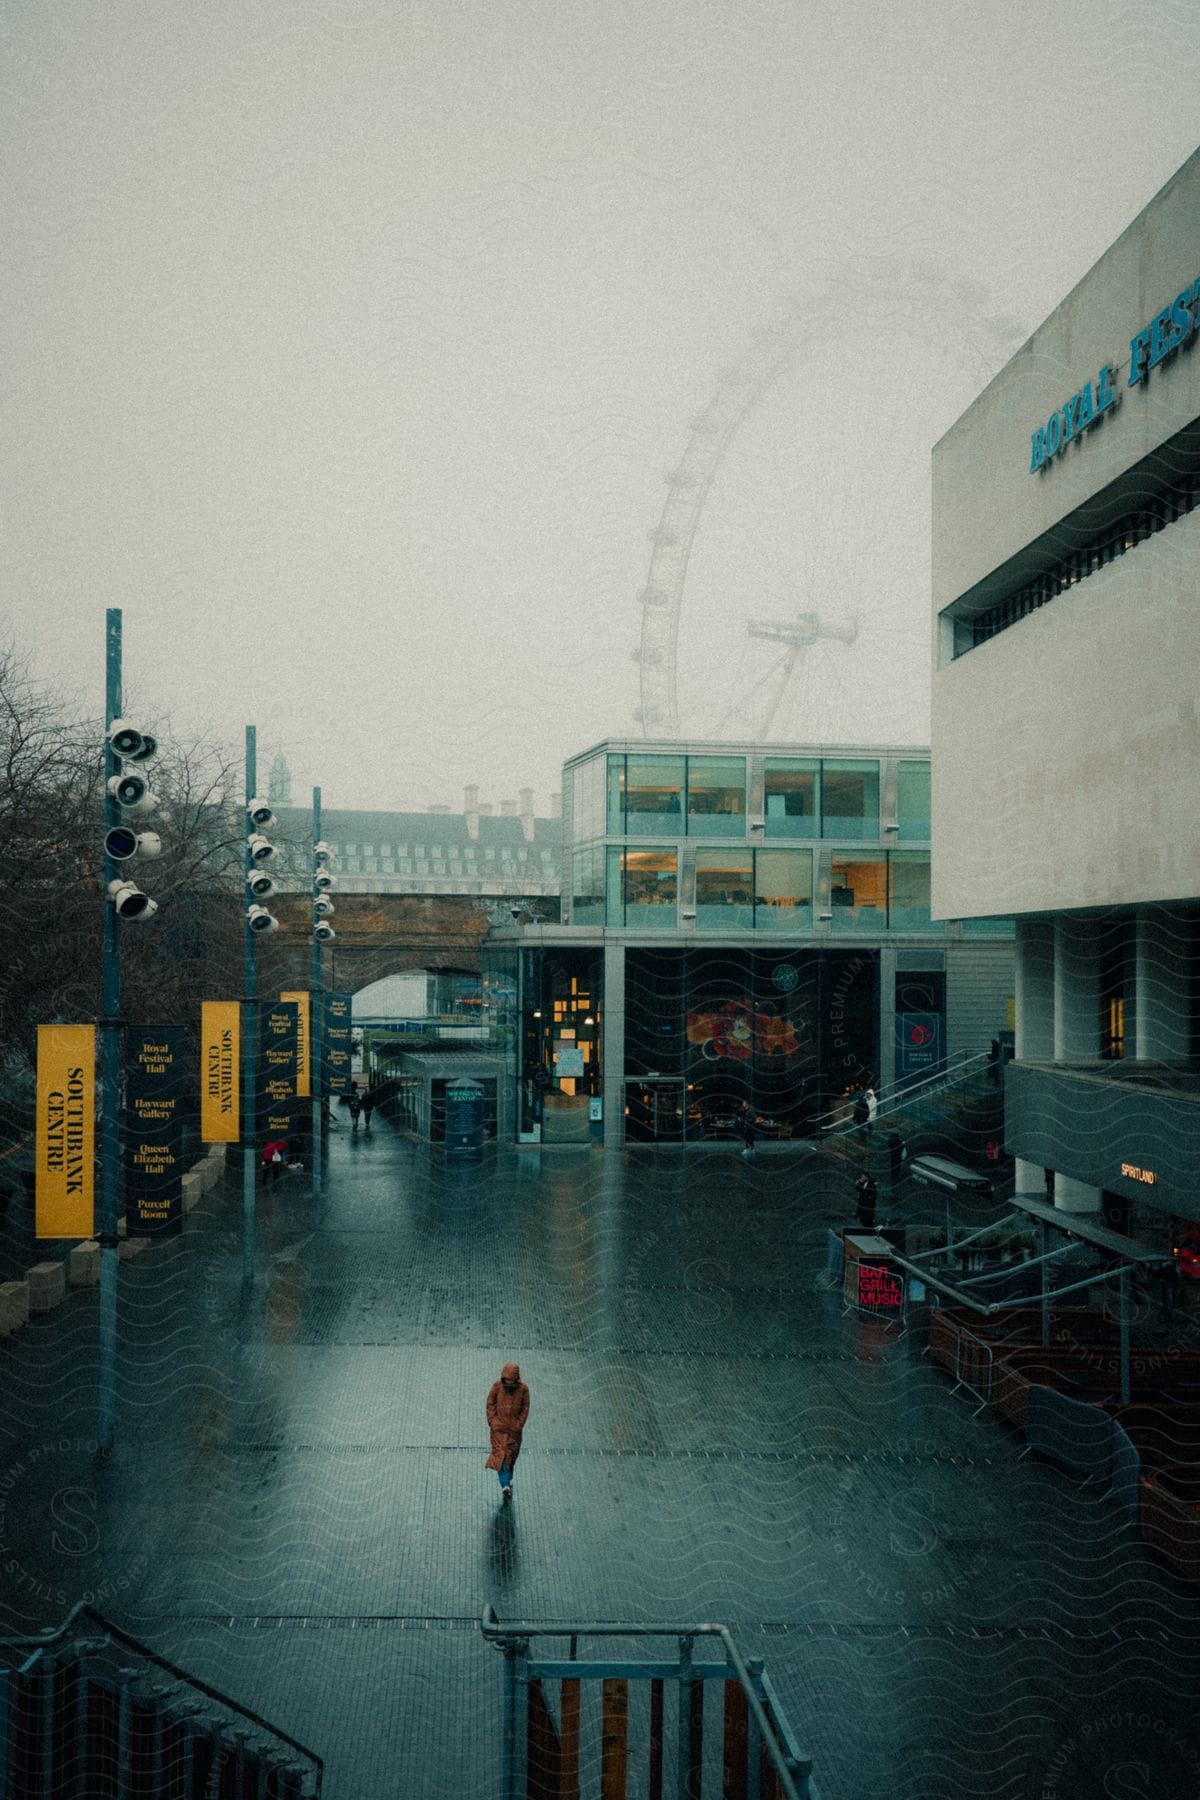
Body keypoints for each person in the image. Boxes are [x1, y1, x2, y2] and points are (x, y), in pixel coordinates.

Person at [485, 1362, 530, 1502]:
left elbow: (525, 1407)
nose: (509, 1383)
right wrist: (493, 1421)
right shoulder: (497, 1387)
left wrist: (519, 1424)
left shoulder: (523, 1390)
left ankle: (508, 1479)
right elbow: (490, 1403)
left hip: (514, 1431)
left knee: (510, 1455)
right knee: (501, 1455)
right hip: (498, 1429)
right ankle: (505, 1484)